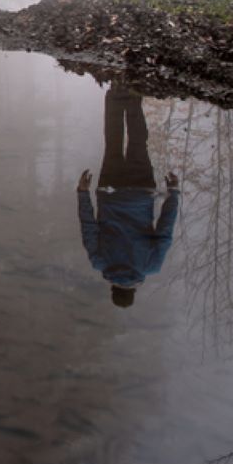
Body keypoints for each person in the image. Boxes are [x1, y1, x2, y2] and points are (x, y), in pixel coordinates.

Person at [76, 83, 180, 308]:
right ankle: (115, 90)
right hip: (110, 192)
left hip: (140, 192)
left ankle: (132, 92)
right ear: (112, 288)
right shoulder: (99, 262)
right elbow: (88, 226)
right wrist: (82, 194)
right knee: (112, 143)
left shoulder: (151, 266)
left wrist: (174, 194)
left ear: (133, 291)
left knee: (137, 143)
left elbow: (165, 230)